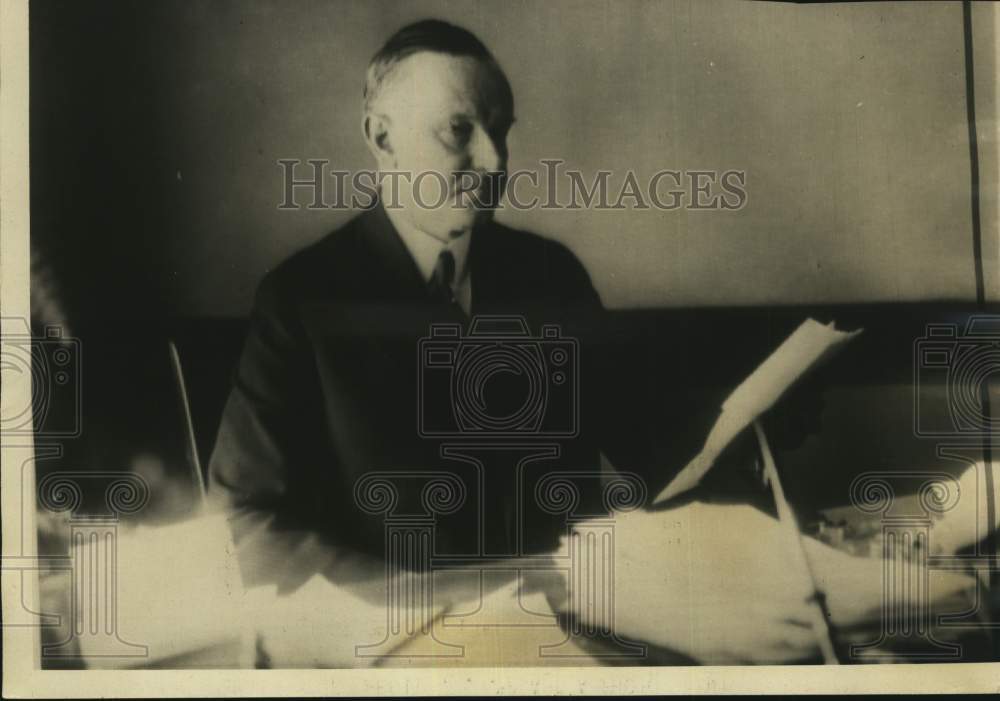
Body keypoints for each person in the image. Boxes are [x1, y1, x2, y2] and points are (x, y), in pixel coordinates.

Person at [207, 18, 820, 664]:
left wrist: (746, 430)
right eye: (460, 131)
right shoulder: (302, 300)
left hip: (575, 637)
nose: (495, 162)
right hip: (403, 652)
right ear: (380, 136)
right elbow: (245, 521)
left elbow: (653, 446)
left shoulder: (551, 277)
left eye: (500, 132)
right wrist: (422, 599)